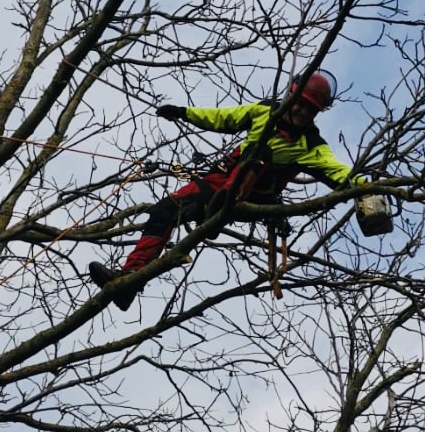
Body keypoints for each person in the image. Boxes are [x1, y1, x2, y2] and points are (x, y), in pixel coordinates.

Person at [88, 71, 356, 311]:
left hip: (255, 194)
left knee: (257, 151)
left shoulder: (311, 145)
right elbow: (223, 118)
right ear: (290, 95)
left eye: (309, 109)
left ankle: (218, 207)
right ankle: (127, 283)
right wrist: (183, 113)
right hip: (222, 179)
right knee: (165, 210)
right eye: (299, 103)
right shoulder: (264, 111)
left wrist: (367, 185)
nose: (301, 111)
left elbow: (339, 172)